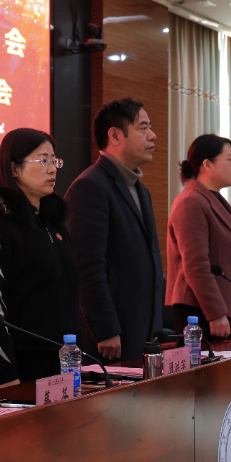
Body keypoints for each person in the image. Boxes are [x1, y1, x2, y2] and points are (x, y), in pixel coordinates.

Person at [0, 129, 80, 390]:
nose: (52, 169)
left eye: (54, 160)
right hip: (18, 371)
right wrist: (6, 375)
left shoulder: (53, 224)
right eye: (43, 160)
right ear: (14, 169)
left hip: (62, 364)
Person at [65, 98, 163, 362]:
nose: (152, 135)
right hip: (112, 337)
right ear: (115, 135)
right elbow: (86, 267)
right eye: (143, 128)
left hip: (143, 330)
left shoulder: (141, 189)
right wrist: (105, 328)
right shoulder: (90, 186)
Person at [166, 134, 231, 339]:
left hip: (226, 307)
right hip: (201, 312)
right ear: (207, 164)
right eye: (229, 159)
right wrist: (215, 313)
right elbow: (196, 265)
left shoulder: (213, 199)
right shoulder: (191, 201)